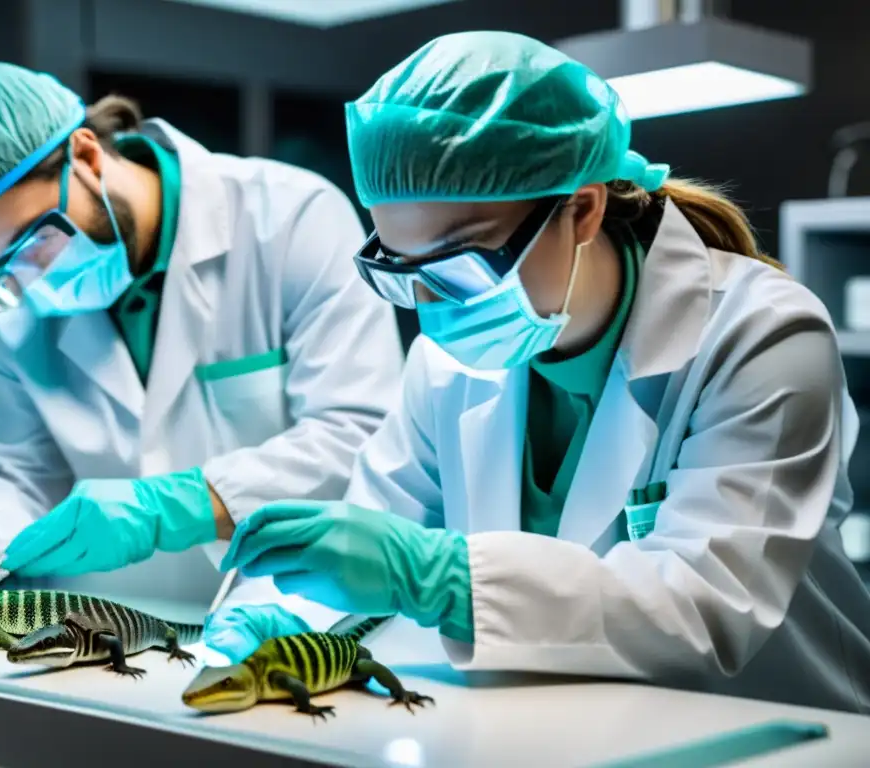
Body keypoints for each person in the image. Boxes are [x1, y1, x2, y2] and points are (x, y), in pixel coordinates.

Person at [214, 31, 870, 712]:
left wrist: (443, 581)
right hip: (578, 729)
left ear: (581, 210)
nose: (432, 312)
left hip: (784, 726)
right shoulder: (445, 365)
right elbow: (372, 533)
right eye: (405, 273)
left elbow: (705, 607)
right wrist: (288, 612)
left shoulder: (760, 335)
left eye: (460, 265)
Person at [0, 62, 404, 600]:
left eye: (36, 238)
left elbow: (357, 433)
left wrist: (179, 506)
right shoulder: (16, 299)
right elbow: (21, 475)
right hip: (111, 630)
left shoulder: (290, 219)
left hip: (282, 607)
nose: (33, 281)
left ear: (84, 154)